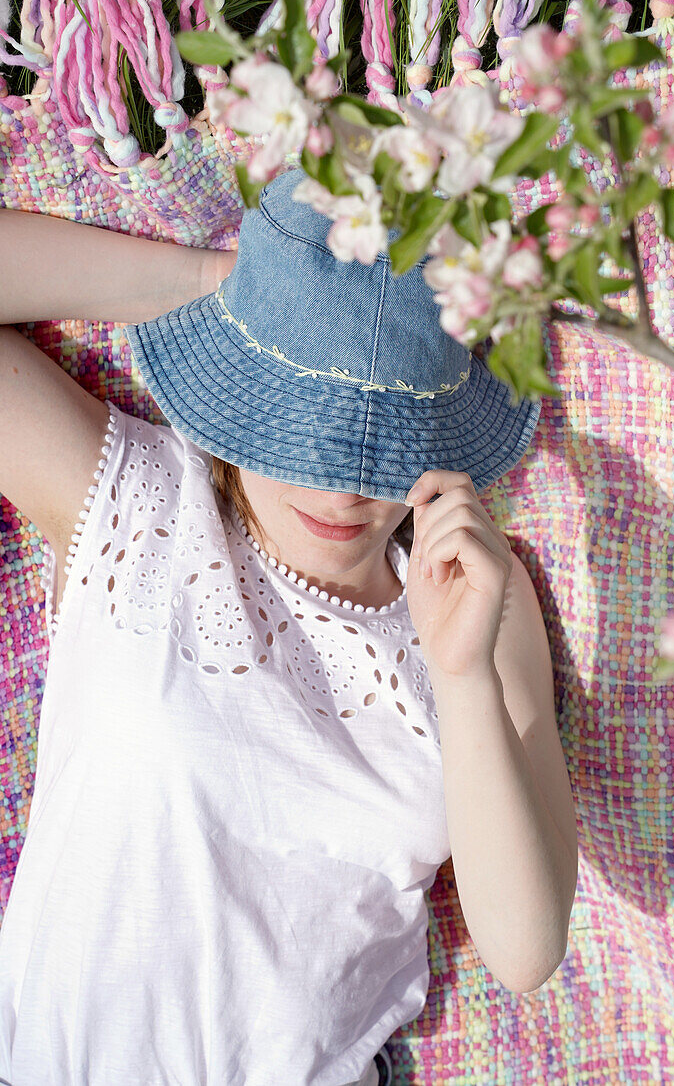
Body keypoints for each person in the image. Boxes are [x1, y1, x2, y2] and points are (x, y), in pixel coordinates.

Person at [0, 166, 571, 1085]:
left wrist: (460, 675)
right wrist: (236, 291)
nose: (343, 491)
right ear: (243, 387)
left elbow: (527, 949)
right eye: (302, 429)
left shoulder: (474, 600)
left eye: (385, 445)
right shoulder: (142, 506)